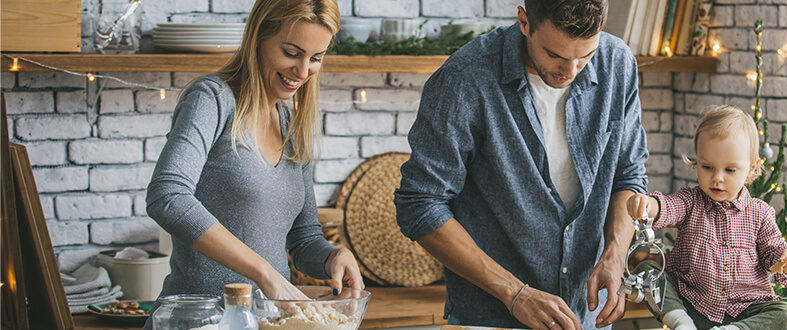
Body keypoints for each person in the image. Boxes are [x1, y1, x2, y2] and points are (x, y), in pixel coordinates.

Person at [394, 0, 648, 329]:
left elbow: (628, 175)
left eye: (585, 56)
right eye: (554, 54)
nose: (570, 72)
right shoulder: (464, 79)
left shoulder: (618, 63)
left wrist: (615, 253)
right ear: (524, 22)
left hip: (586, 315)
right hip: (489, 316)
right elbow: (420, 203)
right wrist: (514, 293)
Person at [145, 0, 363, 326]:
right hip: (199, 321)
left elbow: (302, 239)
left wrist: (334, 256)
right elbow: (168, 197)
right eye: (291, 53)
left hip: (264, 321)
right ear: (259, 38)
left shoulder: (292, 124)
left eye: (315, 58)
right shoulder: (213, 99)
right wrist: (265, 274)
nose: (303, 72)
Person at [625, 106, 787, 330]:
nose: (717, 178)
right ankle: (681, 324)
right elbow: (669, 207)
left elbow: (773, 253)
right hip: (692, 305)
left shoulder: (760, 213)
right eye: (707, 167)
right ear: (697, 161)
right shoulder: (691, 201)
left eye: (729, 170)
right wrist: (648, 205)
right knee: (647, 269)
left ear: (751, 169)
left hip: (745, 309)